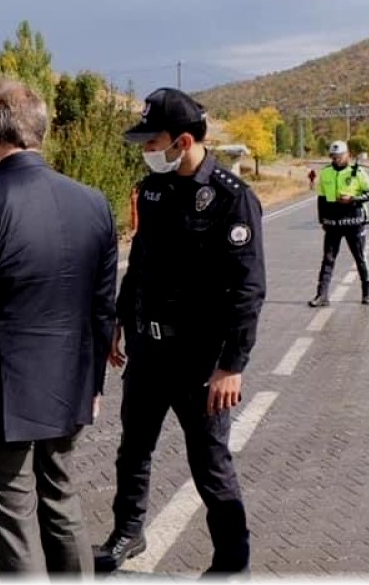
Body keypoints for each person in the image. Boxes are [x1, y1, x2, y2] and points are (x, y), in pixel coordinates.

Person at [0, 79, 118, 576]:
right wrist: (92, 384)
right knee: (61, 503)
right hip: (67, 393)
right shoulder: (93, 204)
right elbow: (101, 309)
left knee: (15, 529)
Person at [96, 87, 266, 577]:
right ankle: (128, 530)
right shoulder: (153, 190)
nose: (147, 152)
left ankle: (232, 561)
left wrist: (232, 365)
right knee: (133, 448)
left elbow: (248, 289)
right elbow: (142, 264)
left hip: (200, 360)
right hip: (149, 353)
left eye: (154, 143)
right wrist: (118, 321)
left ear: (184, 141)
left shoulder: (233, 200)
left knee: (210, 463)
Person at [308, 140, 369, 307]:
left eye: (340, 156)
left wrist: (352, 199)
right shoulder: (326, 173)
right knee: (328, 259)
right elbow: (321, 198)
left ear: (348, 155)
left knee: (359, 257)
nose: (337, 159)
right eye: (334, 156)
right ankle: (322, 295)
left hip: (353, 220)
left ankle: (367, 291)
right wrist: (321, 219)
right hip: (332, 221)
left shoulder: (357, 172)